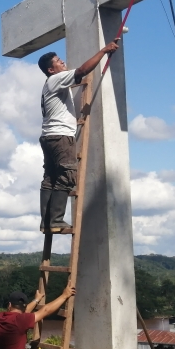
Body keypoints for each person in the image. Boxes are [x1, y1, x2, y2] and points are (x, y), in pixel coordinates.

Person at [37, 41, 119, 232]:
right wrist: (105, 50)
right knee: (67, 176)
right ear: (51, 69)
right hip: (60, 137)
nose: (63, 62)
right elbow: (82, 70)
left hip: (49, 137)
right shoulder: (55, 79)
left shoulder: (51, 83)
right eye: (58, 61)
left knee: (50, 178)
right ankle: (55, 220)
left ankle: (47, 221)